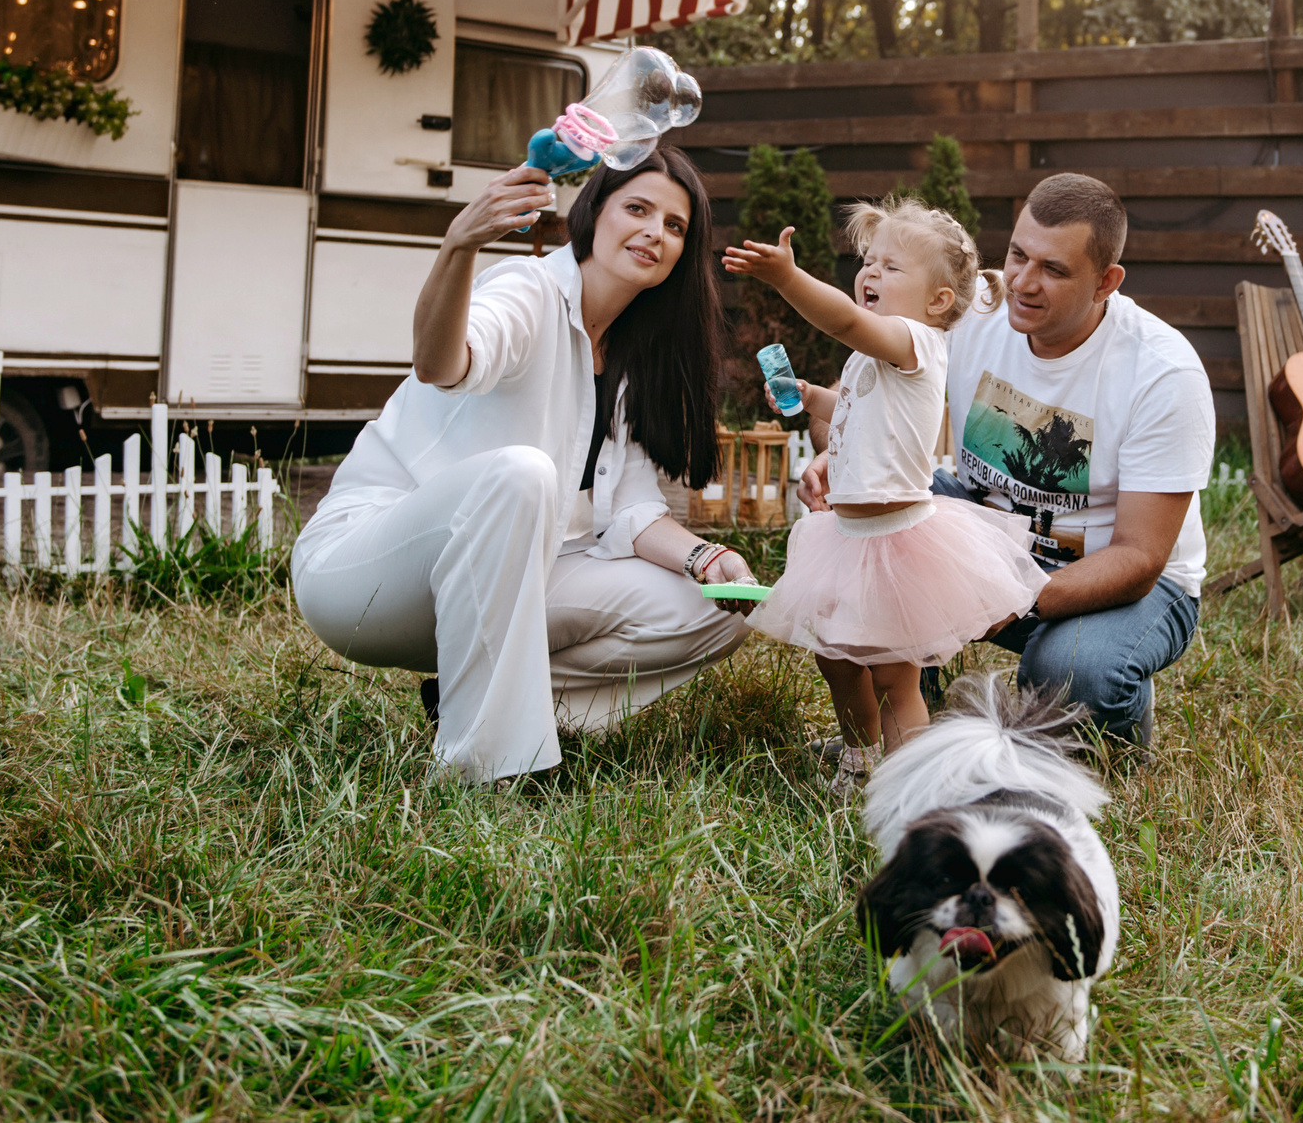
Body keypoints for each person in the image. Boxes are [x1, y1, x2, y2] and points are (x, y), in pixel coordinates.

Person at [291, 148, 760, 783]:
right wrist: (459, 246)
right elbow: (441, 363)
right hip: (363, 576)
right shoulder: (529, 288)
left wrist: (708, 560)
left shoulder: (630, 354)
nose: (655, 231)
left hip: (502, 587)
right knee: (522, 472)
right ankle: (484, 769)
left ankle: (482, 704)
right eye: (638, 209)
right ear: (595, 212)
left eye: (675, 226)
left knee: (710, 611)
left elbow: (631, 510)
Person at [795, 174, 1212, 749]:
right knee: (874, 547)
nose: (1022, 282)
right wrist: (840, 455)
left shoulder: (1163, 373)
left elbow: (1139, 557)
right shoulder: (973, 305)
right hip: (985, 528)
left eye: (1054, 269)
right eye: (1018, 254)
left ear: (1106, 281)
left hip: (1124, 580)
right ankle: (898, 729)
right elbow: (863, 391)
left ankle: (1112, 682)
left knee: (1070, 673)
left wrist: (1013, 596)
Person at [724, 198, 1047, 795]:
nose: (871, 273)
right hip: (844, 537)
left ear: (937, 302)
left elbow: (846, 321)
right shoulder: (874, 356)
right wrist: (812, 396)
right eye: (868, 261)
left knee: (894, 674)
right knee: (836, 659)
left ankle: (912, 786)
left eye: (891, 267)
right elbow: (852, 403)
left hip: (897, 541)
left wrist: (786, 278)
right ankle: (858, 758)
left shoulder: (917, 342)